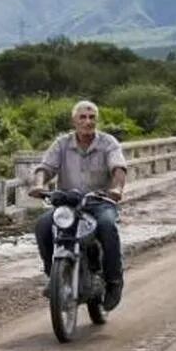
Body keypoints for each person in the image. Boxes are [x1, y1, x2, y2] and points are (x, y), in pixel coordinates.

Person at [29, 101, 128, 310]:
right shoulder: (62, 144)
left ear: (97, 120)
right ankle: (54, 276)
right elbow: (45, 167)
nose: (87, 121)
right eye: (82, 117)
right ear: (74, 121)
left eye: (92, 117)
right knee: (43, 226)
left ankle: (113, 282)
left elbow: (118, 167)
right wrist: (39, 185)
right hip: (68, 203)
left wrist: (117, 189)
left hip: (99, 202)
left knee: (108, 226)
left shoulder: (108, 143)